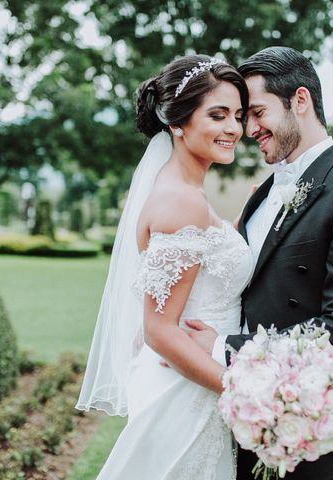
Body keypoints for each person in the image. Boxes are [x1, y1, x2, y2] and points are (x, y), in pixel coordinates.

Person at [186, 46, 333, 480]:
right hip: (245, 425)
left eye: (258, 112)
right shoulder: (262, 194)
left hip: (313, 442)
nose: (249, 129)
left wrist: (220, 348)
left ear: (299, 101)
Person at [75, 55, 251, 479]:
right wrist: (243, 392)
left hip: (194, 381)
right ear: (177, 124)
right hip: (186, 392)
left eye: (239, 116)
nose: (234, 129)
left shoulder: (185, 193)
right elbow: (159, 330)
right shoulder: (181, 201)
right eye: (218, 115)